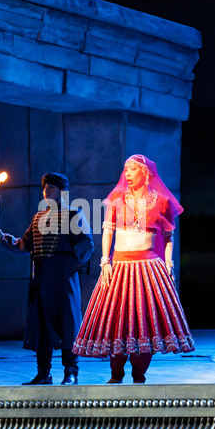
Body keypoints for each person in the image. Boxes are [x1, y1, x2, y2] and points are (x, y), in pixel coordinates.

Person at [72, 154, 195, 384]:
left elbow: (169, 236)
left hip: (149, 267)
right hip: (119, 266)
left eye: (132, 169)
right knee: (117, 317)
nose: (127, 174)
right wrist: (105, 261)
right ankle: (116, 372)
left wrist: (169, 263)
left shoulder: (162, 202)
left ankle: (139, 372)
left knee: (144, 320)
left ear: (145, 173)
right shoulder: (117, 200)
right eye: (125, 170)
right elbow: (107, 231)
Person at [0, 172, 94, 385]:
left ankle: (71, 372)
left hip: (63, 280)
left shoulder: (74, 214)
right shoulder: (39, 217)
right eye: (45, 187)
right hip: (41, 280)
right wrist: (4, 239)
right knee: (41, 326)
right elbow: (25, 245)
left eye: (52, 188)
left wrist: (70, 266)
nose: (47, 191)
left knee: (68, 325)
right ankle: (43, 373)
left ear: (62, 191)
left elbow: (86, 244)